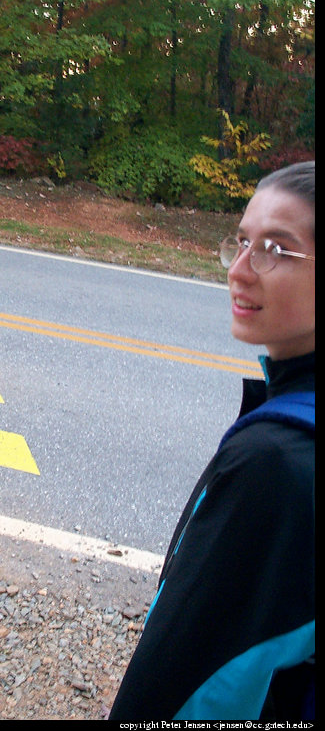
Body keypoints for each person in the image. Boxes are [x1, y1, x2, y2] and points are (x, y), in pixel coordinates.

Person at [108, 161, 315, 722]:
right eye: (242, 242)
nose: (239, 270)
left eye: (275, 249)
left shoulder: (272, 463)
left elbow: (188, 688)